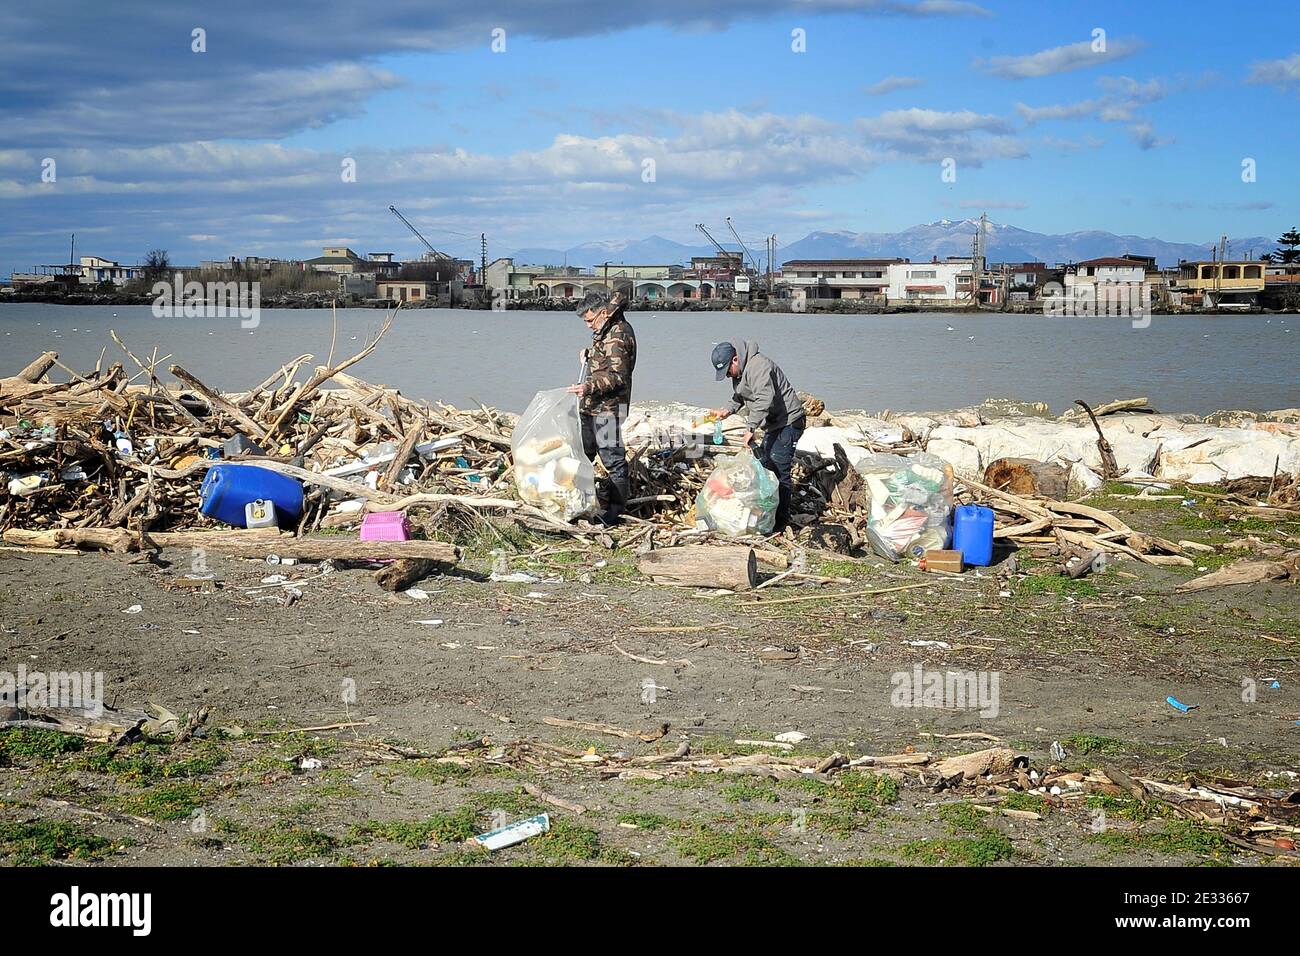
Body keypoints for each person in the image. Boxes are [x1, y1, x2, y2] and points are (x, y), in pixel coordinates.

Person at [709, 340, 805, 532]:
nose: (728, 376)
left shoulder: (758, 366)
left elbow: (764, 399)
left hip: (788, 422)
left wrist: (751, 428)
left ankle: (780, 523)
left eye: (728, 371)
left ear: (735, 359)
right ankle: (768, 513)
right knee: (766, 465)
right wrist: (726, 410)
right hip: (774, 424)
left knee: (779, 471)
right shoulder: (740, 372)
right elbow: (740, 396)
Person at [567, 292, 636, 524]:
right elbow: (604, 361)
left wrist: (588, 386)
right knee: (583, 454)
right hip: (590, 406)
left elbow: (618, 377)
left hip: (609, 409)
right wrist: (590, 353)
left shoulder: (619, 334)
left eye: (589, 320)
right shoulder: (604, 330)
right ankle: (581, 503)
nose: (588, 326)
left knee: (613, 459)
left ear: (603, 313)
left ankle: (615, 514)